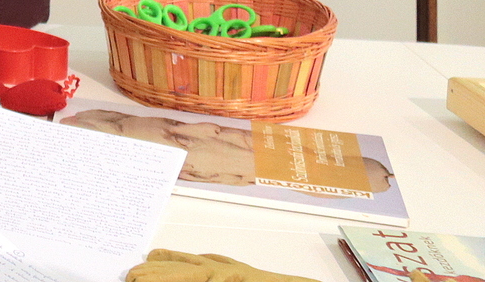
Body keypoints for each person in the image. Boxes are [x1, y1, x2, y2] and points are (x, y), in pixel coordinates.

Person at [62, 109, 395, 194]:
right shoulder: (292, 152)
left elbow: (236, 178)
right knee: (125, 130)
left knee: (125, 137)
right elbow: (225, 133)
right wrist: (189, 134)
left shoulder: (293, 174)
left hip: (191, 156)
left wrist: (196, 174)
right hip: (188, 145)